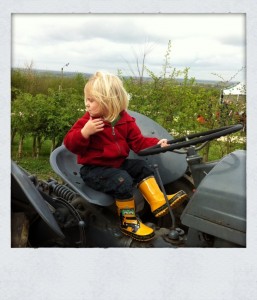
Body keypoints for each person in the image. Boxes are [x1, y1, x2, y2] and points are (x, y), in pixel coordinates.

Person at [64, 71, 188, 241]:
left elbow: (138, 143)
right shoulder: (87, 122)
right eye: (87, 99)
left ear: (109, 101)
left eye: (91, 100)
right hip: (93, 171)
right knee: (122, 180)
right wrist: (84, 133)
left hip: (116, 165)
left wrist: (158, 144)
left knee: (141, 167)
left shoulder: (125, 120)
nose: (86, 104)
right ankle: (128, 221)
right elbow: (71, 145)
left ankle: (158, 201)